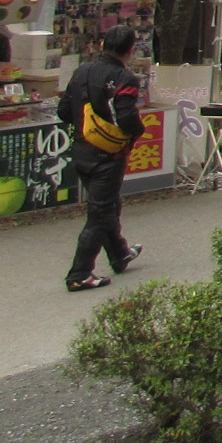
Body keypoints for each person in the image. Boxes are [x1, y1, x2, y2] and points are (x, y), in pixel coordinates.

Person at [62, 24, 145, 292]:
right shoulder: (124, 78)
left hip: (80, 150)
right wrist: (136, 132)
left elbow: (64, 110)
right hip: (108, 155)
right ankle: (79, 273)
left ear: (102, 45)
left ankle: (120, 253)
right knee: (99, 213)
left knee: (106, 205)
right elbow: (127, 117)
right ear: (130, 50)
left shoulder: (81, 71)